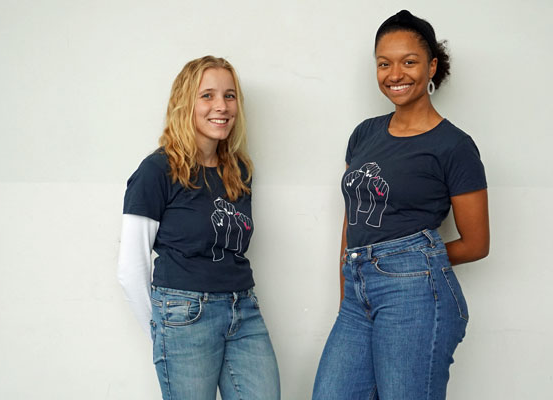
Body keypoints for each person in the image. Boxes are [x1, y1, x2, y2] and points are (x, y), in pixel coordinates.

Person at [312, 10, 489, 400]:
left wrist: (407, 260)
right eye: (384, 63)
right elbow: (352, 218)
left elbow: (476, 244)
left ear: (432, 67)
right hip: (358, 293)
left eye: (409, 62)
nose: (396, 74)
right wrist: (349, 285)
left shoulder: (454, 147)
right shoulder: (364, 135)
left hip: (415, 294)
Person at [117, 56, 280, 400]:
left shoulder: (239, 170)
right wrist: (164, 327)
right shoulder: (156, 171)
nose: (221, 106)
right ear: (185, 103)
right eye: (207, 95)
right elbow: (131, 267)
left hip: (243, 309)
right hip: (185, 315)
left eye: (229, 95)